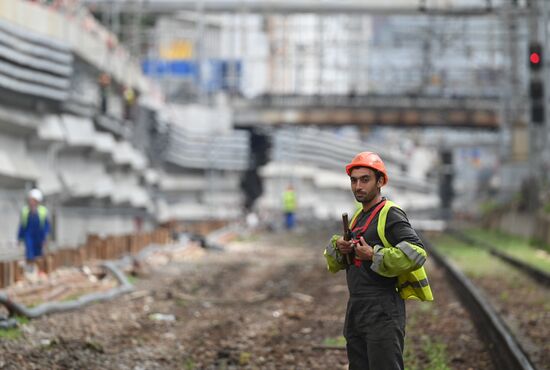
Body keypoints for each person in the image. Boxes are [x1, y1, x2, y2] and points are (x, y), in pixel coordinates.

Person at [324, 152, 433, 370]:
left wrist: (374, 255)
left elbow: (418, 252)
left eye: (365, 179)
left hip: (383, 309)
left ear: (380, 181)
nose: (358, 186)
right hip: (357, 307)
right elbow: (339, 263)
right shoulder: (358, 217)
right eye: (354, 180)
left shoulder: (390, 214)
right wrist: (340, 247)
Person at [17, 189, 50, 270]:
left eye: (34, 200)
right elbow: (22, 225)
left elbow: (46, 225)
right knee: (29, 252)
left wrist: (45, 237)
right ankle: (30, 269)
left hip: (39, 236)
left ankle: (38, 270)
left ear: (38, 201)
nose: (32, 202)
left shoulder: (43, 211)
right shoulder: (25, 211)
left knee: (38, 253)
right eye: (31, 200)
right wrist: (19, 237)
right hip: (29, 235)